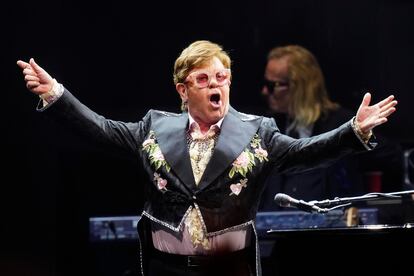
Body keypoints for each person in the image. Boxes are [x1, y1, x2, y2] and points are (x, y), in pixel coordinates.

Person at [17, 40, 397, 276]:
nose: (216, 85)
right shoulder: (155, 128)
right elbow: (101, 128)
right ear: (183, 90)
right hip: (165, 269)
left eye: (222, 77)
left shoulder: (257, 131)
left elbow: (305, 153)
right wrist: (56, 95)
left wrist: (353, 131)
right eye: (204, 79)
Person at [259, 45, 403, 211]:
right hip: (275, 230)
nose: (264, 91)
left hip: (330, 229)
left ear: (300, 87)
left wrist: (379, 211)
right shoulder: (271, 126)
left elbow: (392, 156)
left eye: (272, 85)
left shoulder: (341, 123)